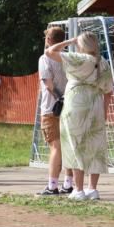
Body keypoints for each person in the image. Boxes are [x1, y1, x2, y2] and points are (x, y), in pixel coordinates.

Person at [46, 32, 114, 200]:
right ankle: (93, 189)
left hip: (76, 104)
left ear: (81, 45)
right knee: (95, 146)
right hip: (96, 105)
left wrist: (70, 41)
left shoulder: (77, 58)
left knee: (74, 144)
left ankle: (78, 189)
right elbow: (108, 91)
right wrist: (104, 111)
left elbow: (50, 51)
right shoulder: (102, 62)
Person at [36, 26, 75, 196]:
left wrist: (60, 98)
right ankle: (69, 183)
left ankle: (52, 185)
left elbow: (48, 84)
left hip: (52, 107)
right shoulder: (70, 57)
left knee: (55, 146)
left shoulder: (45, 58)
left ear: (49, 40)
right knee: (68, 146)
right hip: (71, 106)